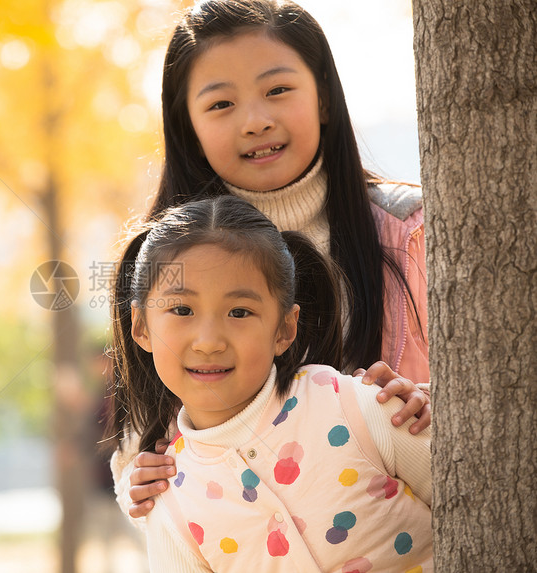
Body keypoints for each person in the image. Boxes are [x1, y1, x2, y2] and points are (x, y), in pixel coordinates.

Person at [115, 0, 431, 519]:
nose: (256, 121)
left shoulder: (415, 235)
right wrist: (137, 480)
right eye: (221, 105)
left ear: (324, 98)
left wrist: (430, 404)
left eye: (278, 91)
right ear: (187, 124)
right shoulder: (161, 262)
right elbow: (142, 431)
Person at [108, 195, 431, 571]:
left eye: (239, 312)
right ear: (141, 327)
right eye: (182, 310)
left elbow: (480, 495)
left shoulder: (356, 407)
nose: (209, 341)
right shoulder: (171, 501)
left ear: (285, 328)